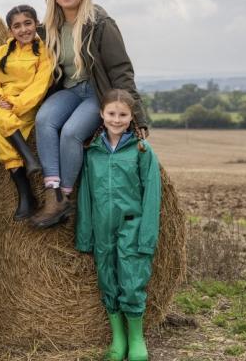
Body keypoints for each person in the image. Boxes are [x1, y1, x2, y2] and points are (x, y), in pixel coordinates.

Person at [31, 0, 149, 229]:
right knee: (44, 120)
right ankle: (53, 192)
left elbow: (121, 69)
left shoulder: (100, 24)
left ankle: (67, 195)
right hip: (69, 91)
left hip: (95, 93)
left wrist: (138, 115)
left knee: (71, 132)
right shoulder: (48, 27)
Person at [75, 89, 160, 361]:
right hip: (102, 226)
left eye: (122, 114)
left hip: (132, 226)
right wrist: (85, 235)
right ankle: (118, 339)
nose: (116, 119)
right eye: (111, 113)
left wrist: (147, 237)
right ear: (102, 114)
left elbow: (152, 197)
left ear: (131, 116)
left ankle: (136, 339)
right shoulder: (93, 153)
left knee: (132, 280)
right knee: (107, 279)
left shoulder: (141, 151)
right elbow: (85, 196)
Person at [0, 4, 52, 220]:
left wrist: (15, 104)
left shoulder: (45, 52)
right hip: (0, 103)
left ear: (36, 24)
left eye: (27, 23)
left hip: (25, 106)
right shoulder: (1, 52)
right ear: (10, 31)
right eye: (17, 26)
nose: (23, 30)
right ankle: (27, 156)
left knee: (0, 139)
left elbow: (40, 85)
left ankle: (26, 195)